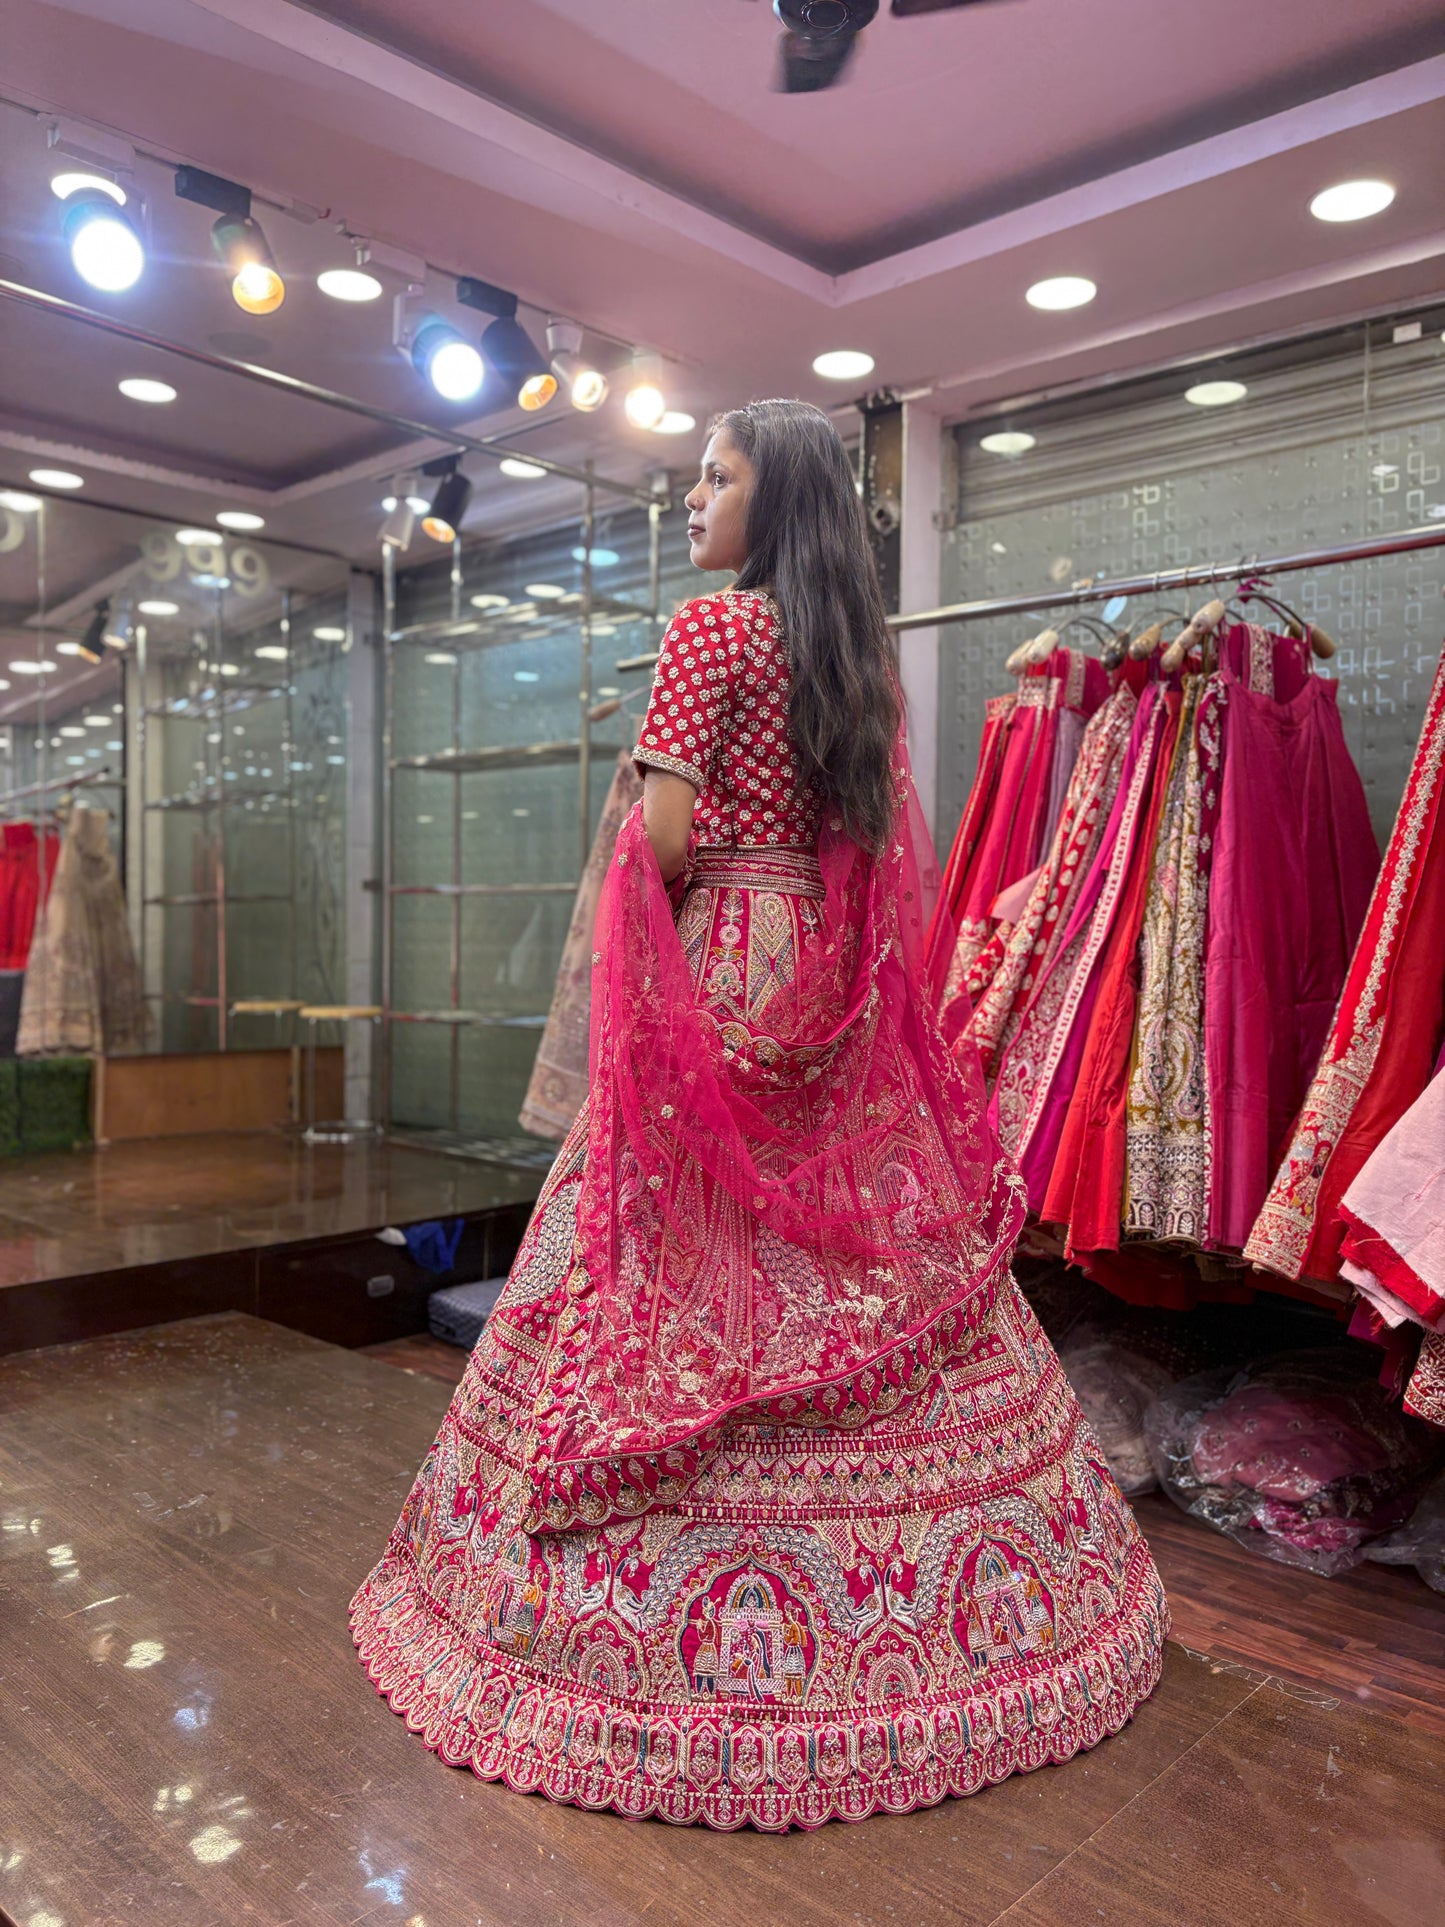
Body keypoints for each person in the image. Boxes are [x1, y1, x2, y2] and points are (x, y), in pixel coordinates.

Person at [351, 398, 1168, 1829]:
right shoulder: (848, 657)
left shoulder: (711, 633)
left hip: (716, 956)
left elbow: (664, 836)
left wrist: (637, 893)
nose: (691, 502)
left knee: (668, 1235)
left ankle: (619, 1634)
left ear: (771, 501)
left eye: (713, 478)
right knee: (856, 1248)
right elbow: (859, 843)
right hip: (818, 970)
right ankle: (984, 1619)